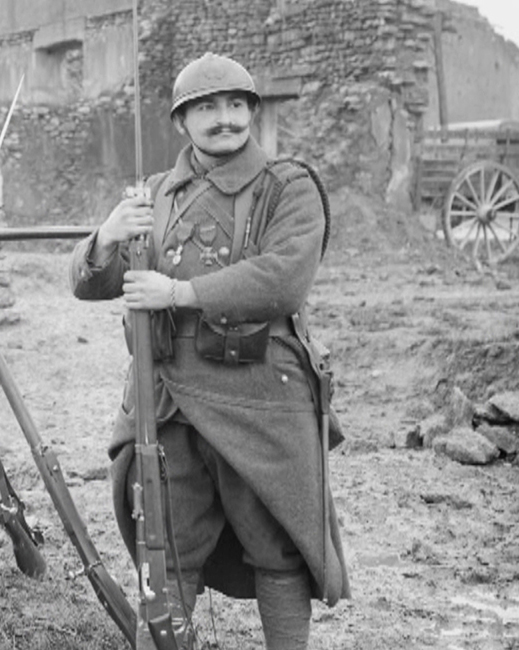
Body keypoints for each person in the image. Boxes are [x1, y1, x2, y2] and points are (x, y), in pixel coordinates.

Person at [70, 52, 349, 649]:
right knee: (167, 549)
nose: (224, 119)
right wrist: (107, 236)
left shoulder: (288, 186)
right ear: (181, 121)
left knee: (277, 549)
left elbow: (282, 279)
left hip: (259, 402)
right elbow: (87, 283)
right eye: (206, 107)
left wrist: (179, 292)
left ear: (251, 110)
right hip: (166, 402)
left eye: (234, 105)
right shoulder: (154, 194)